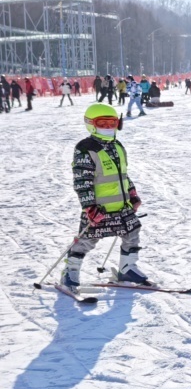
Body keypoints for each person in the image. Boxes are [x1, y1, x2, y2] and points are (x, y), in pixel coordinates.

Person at [61, 103, 147, 292]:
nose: (108, 127)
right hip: (100, 208)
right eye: (103, 123)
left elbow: (122, 174)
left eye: (112, 122)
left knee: (132, 232)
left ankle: (127, 267)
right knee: (87, 239)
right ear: (91, 124)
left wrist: (132, 194)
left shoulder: (117, 146)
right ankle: (70, 270)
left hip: (122, 205)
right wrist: (90, 206)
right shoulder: (85, 148)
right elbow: (82, 181)